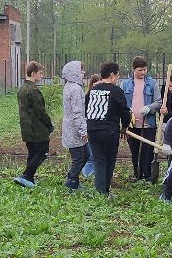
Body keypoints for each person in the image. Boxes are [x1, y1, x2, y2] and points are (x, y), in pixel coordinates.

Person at [83, 62, 130, 196]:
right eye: (117, 75)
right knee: (109, 161)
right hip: (109, 131)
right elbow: (125, 111)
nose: (118, 78)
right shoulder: (116, 91)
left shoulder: (92, 90)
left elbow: (86, 108)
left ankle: (100, 192)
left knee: (98, 161)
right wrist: (124, 127)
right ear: (111, 75)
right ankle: (106, 191)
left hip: (92, 130)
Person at [13, 62, 53, 188]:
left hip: (26, 128)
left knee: (32, 152)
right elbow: (40, 111)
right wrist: (49, 124)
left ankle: (28, 179)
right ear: (33, 73)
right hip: (37, 128)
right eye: (40, 73)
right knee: (42, 151)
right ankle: (26, 175)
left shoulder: (22, 89)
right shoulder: (34, 90)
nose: (42, 76)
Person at [121, 57, 160, 184]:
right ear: (133, 70)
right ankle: (137, 174)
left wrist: (149, 108)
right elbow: (120, 102)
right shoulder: (125, 84)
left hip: (148, 124)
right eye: (140, 70)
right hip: (132, 124)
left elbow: (158, 102)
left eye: (145, 69)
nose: (143, 72)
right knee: (134, 150)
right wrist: (127, 111)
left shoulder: (152, 84)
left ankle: (147, 175)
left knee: (147, 151)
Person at [59, 60, 89, 192]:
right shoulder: (76, 89)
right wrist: (83, 130)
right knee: (79, 157)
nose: (83, 73)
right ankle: (72, 182)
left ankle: (74, 179)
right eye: (81, 70)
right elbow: (77, 112)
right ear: (74, 73)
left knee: (85, 154)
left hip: (72, 126)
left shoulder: (69, 86)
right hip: (75, 129)